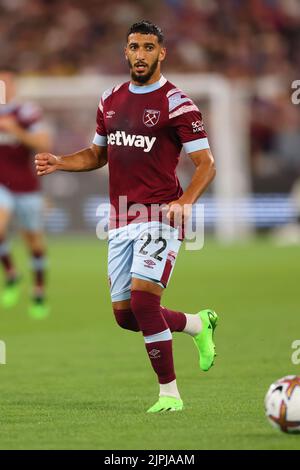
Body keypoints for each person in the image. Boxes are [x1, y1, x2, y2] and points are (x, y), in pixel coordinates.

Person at [35, 20, 219, 412]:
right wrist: (60, 162)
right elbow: (98, 154)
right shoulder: (110, 98)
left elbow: (206, 164)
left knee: (144, 304)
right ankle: (197, 324)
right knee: (125, 316)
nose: (140, 55)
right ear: (125, 51)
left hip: (160, 216)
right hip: (121, 220)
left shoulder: (177, 103)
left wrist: (185, 201)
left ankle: (169, 395)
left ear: (162, 53)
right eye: (134, 47)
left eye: (149, 48)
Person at [0, 69, 51, 319]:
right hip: (2, 185)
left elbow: (43, 144)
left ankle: (39, 291)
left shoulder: (26, 112)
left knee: (35, 244)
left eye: (6, 84)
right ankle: (10, 272)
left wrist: (16, 131)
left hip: (26, 187)